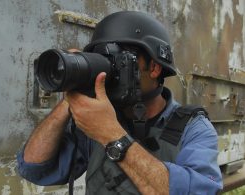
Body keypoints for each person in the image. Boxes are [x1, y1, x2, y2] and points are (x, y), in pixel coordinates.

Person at [17, 11, 223, 194]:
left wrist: (111, 135)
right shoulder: (95, 122)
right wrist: (73, 93)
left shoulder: (193, 127)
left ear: (154, 68)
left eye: (121, 60)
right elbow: (33, 168)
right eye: (105, 60)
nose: (110, 72)